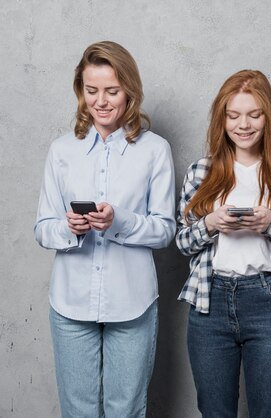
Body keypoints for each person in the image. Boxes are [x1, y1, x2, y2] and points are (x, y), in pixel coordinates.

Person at [34, 41, 176, 417]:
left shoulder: (155, 150)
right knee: (77, 410)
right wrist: (71, 229)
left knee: (125, 409)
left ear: (130, 90)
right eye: (91, 90)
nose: (101, 101)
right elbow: (43, 228)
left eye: (112, 91)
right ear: (80, 90)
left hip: (133, 303)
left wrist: (119, 221)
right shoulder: (62, 151)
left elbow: (165, 230)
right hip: (70, 303)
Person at [176, 69, 271, 418]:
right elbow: (182, 242)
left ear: (268, 118)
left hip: (269, 300)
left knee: (269, 409)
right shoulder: (201, 172)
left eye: (254, 114)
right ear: (222, 120)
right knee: (215, 411)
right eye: (233, 115)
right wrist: (210, 223)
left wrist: (270, 223)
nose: (244, 124)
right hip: (210, 301)